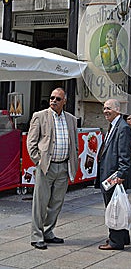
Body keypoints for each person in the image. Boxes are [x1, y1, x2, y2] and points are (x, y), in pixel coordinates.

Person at [26, 88, 78, 250]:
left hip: (63, 165)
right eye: (52, 98)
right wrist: (39, 161)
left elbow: (74, 143)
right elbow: (31, 143)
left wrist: (72, 161)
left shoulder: (71, 119)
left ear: (64, 101)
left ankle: (48, 232)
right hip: (46, 167)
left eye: (57, 98)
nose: (54, 101)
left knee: (56, 203)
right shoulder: (40, 116)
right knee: (40, 203)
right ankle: (37, 236)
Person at [97, 98, 131, 250]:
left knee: (114, 208)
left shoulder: (122, 127)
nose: (105, 111)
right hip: (109, 174)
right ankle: (122, 237)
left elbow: (125, 155)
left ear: (117, 109)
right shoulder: (114, 125)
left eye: (108, 108)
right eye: (104, 108)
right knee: (114, 205)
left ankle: (115, 241)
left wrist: (121, 174)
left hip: (114, 176)